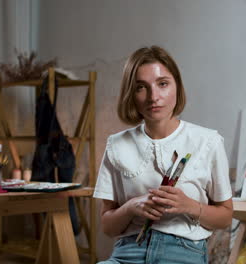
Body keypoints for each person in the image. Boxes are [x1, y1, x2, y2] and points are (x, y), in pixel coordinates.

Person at [94, 45, 233, 264]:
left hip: (184, 253)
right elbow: (108, 227)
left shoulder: (208, 141)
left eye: (163, 84)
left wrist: (189, 206)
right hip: (127, 253)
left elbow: (225, 217)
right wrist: (131, 207)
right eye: (141, 87)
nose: (153, 97)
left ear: (177, 86)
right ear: (131, 93)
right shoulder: (116, 145)